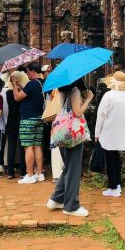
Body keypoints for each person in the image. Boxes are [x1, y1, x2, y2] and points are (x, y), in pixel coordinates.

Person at [46, 80, 94, 217]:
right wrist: (88, 99)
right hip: (73, 134)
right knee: (74, 169)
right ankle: (71, 206)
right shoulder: (74, 91)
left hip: (62, 132)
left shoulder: (60, 92)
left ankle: (56, 198)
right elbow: (78, 112)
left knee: (68, 167)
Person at [13, 62, 45, 184]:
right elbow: (28, 92)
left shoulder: (32, 84)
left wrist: (14, 85)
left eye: (28, 72)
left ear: (32, 71)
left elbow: (17, 97)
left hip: (28, 118)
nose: (27, 74)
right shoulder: (42, 83)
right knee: (37, 145)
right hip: (39, 117)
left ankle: (30, 175)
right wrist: (19, 85)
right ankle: (39, 173)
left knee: (28, 147)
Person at [5, 70, 27, 179]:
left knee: (11, 147)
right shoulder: (22, 93)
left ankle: (10, 172)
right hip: (21, 120)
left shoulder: (8, 93)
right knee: (22, 146)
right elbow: (20, 97)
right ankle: (23, 172)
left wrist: (14, 84)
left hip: (11, 121)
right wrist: (19, 85)